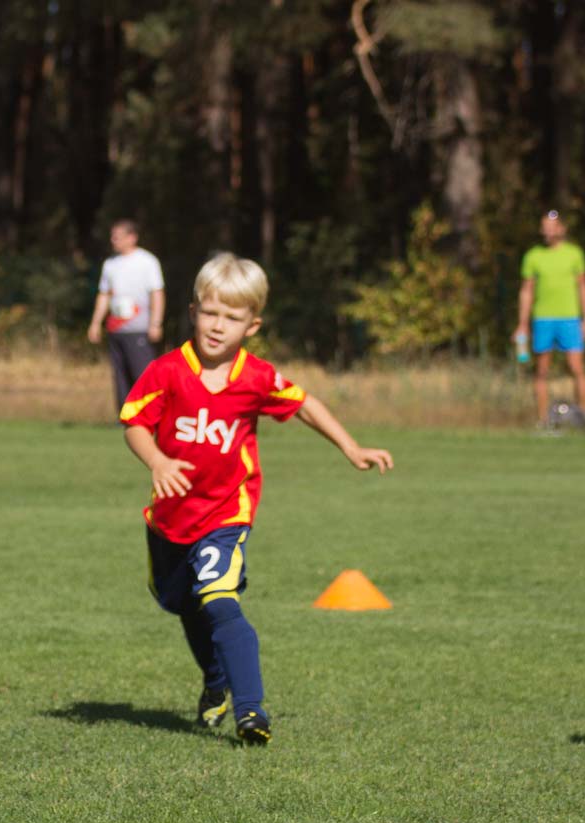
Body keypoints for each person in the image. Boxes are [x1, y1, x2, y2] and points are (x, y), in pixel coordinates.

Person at [120, 253, 392, 744]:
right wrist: (157, 462)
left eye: (231, 317)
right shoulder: (167, 370)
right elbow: (135, 423)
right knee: (183, 604)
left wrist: (351, 447)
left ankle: (251, 712)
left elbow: (304, 403)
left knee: (220, 600)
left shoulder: (256, 377)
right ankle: (215, 681)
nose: (217, 325)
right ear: (193, 312)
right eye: (209, 312)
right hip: (170, 519)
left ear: (252, 325)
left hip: (226, 513)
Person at [514, 210, 585, 424]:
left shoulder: (574, 254)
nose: (547, 231)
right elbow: (526, 291)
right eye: (544, 227)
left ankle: (584, 419)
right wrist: (522, 324)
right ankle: (544, 422)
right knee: (541, 370)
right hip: (543, 319)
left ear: (562, 229)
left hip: (570, 318)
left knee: (577, 368)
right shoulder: (533, 256)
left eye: (552, 227)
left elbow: (584, 287)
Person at [86, 219, 166, 409]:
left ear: (132, 237)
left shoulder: (147, 261)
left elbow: (157, 293)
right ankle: (124, 416)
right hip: (116, 329)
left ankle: (150, 413)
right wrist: (95, 323)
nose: (113, 240)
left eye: (118, 237)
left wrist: (155, 323)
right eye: (113, 237)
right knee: (120, 376)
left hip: (139, 329)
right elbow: (104, 294)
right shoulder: (110, 264)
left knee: (143, 374)